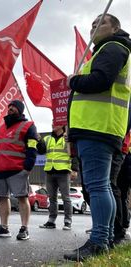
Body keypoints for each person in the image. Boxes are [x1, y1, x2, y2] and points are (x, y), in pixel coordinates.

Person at [64, 14, 131, 261]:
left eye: (101, 23)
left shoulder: (113, 47)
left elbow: (100, 80)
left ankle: (99, 240)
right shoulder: (109, 49)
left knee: (98, 186)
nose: (94, 26)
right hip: (101, 127)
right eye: (92, 24)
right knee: (102, 186)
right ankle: (106, 237)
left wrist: (75, 81)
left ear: (115, 28)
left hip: (98, 128)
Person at [0, 100, 38, 240]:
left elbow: (32, 148)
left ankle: (24, 229)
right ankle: (4, 228)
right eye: (9, 106)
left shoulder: (28, 126)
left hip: (18, 170)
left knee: (22, 198)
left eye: (13, 107)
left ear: (20, 110)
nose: (10, 108)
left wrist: (27, 168)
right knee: (2, 198)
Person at [37, 125, 78, 230]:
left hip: (63, 171)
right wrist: (39, 140)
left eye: (55, 123)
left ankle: (68, 221)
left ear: (62, 126)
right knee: (52, 198)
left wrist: (74, 169)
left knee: (66, 198)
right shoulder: (47, 138)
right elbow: (41, 151)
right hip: (50, 171)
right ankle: (51, 221)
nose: (52, 125)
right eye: (51, 123)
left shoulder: (67, 138)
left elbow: (74, 153)